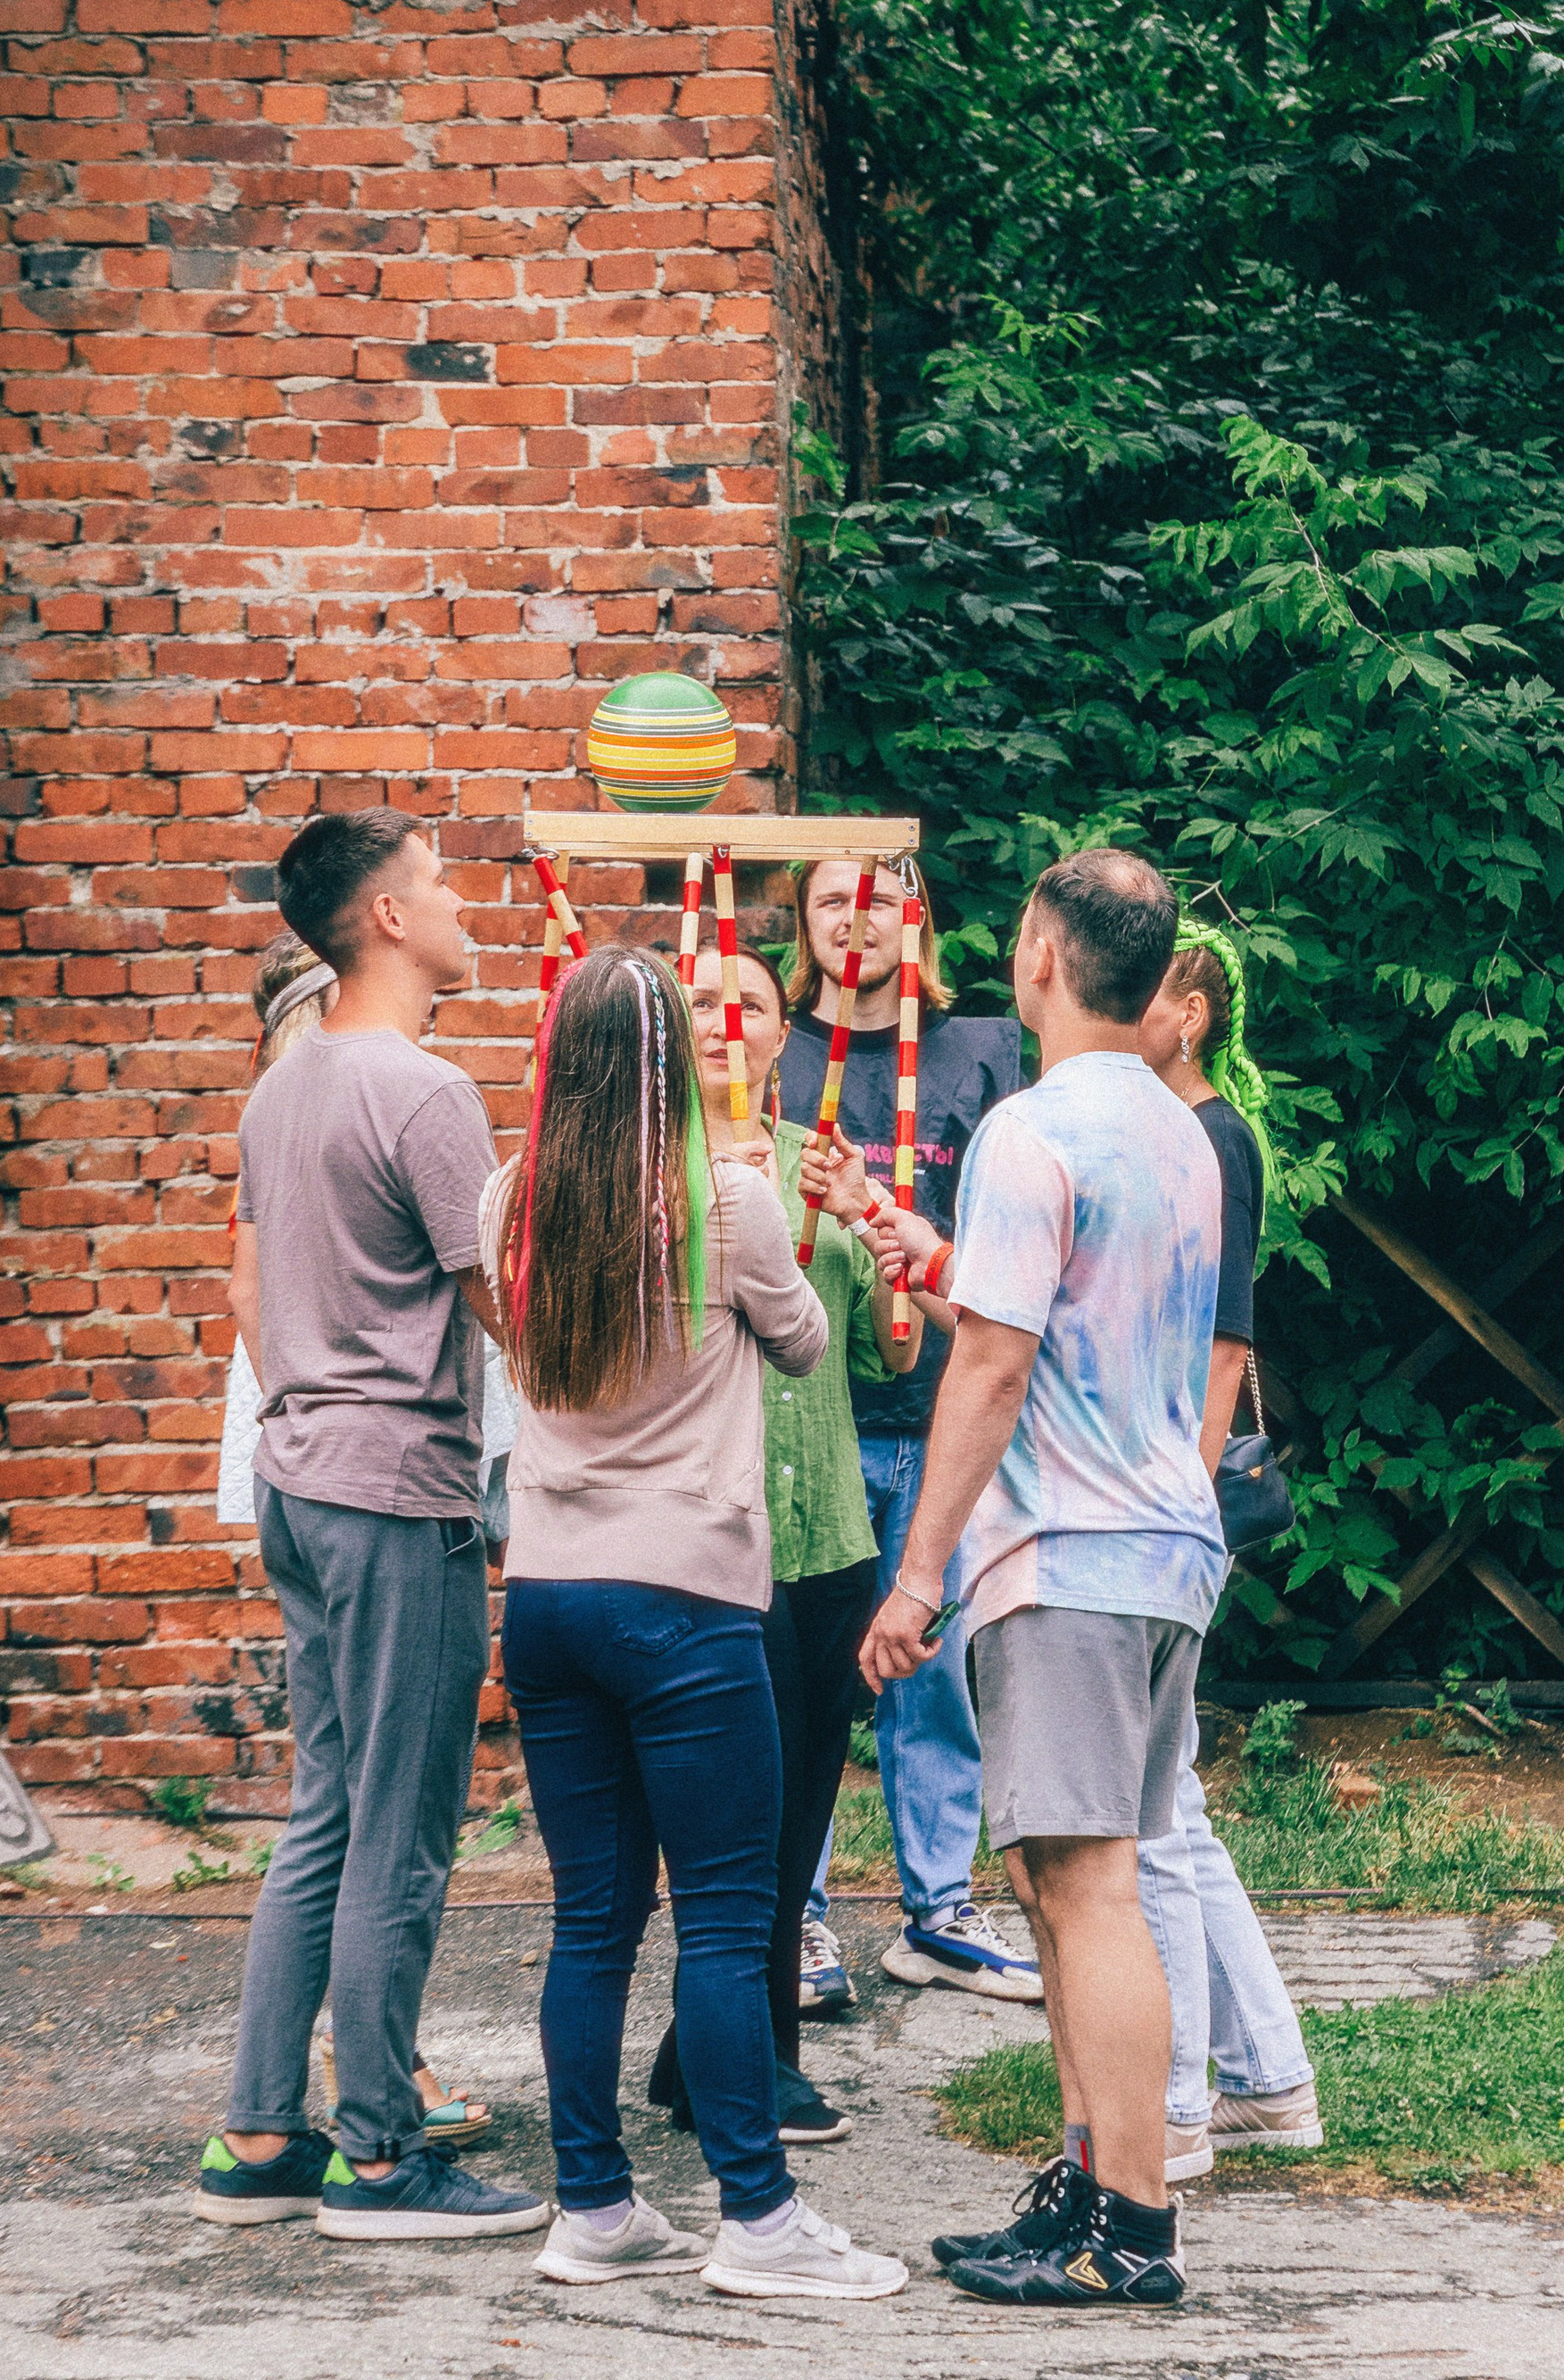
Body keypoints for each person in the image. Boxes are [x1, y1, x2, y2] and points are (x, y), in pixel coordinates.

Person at [489, 941, 906, 2303]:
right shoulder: (729, 1203)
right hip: (687, 1603)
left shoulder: (509, 1200)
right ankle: (758, 2218)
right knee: (727, 1920)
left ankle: (594, 2205)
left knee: (592, 1919)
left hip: (547, 1597)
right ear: (675, 1056)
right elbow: (808, 1341)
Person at [863, 846, 1223, 2311]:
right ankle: (1084, 2182)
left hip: (1070, 1552)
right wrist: (939, 1261)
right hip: (1161, 1543)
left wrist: (916, 1577)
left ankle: (1132, 2223)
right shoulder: (1182, 1133)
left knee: (1087, 1884)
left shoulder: (1029, 1127)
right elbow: (1057, 1321)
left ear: (1039, 956)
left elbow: (998, 1366)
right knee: (1055, 1875)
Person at [193, 810, 546, 2243]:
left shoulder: (280, 1090)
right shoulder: (426, 1089)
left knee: (328, 1811)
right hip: (397, 1493)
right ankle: (386, 2156)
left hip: (297, 1479)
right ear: (388, 915)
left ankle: (259, 2131)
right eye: (443, 884)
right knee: (401, 1829)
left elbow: (261, 1291)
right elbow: (499, 1297)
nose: (463, 905)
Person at [643, 944, 919, 2148]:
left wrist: (872, 1223)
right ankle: (752, 2061)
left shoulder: (823, 1166)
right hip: (715, 1539)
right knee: (735, 1819)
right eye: (702, 1001)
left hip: (831, 1542)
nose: (725, 1020)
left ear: (779, 1033)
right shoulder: (651, 1173)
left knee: (801, 1812)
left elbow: (891, 1355)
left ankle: (705, 2054)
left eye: (748, 1002)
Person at [778, 860, 1038, 2010]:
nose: (857, 920)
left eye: (878, 899)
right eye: (831, 901)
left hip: (943, 1411)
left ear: (915, 918)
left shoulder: (980, 1052)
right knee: (806, 1676)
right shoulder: (771, 1054)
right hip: (817, 1416)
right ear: (803, 924)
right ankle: (798, 1915)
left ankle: (939, 1909)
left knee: (932, 1678)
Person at [1136, 928, 1321, 2181]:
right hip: (1164, 1493)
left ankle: (1182, 2102)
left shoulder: (1213, 1140)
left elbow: (1225, 1336)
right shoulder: (1181, 1134)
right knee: (1176, 1800)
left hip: (1171, 1499)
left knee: (1152, 1810)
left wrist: (1187, 1491)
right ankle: (1269, 2077)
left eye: (1146, 993)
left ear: (1192, 1013)